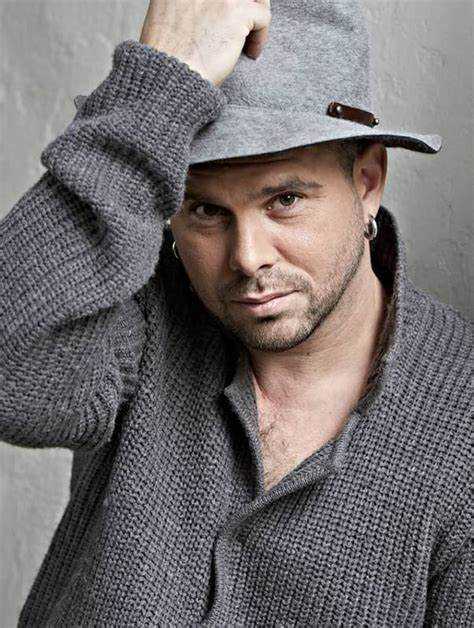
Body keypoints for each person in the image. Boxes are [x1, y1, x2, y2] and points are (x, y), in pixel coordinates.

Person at [0, 1, 471, 625]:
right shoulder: (142, 308)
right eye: (205, 211)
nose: (247, 258)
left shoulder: (462, 423)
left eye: (285, 200)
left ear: (367, 182)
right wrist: (159, 83)